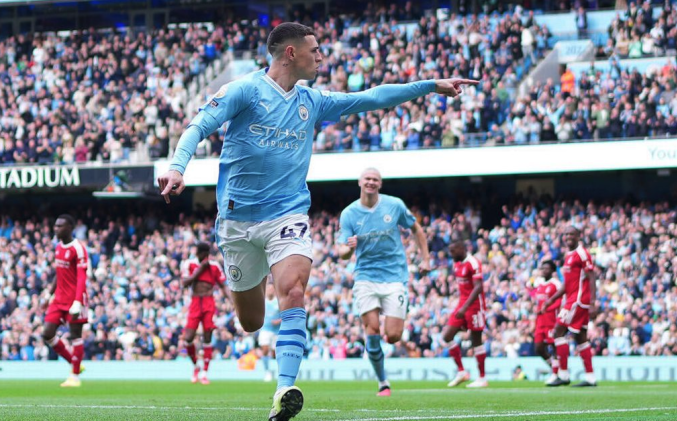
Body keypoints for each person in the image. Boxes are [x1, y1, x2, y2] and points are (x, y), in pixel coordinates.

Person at [157, 22, 477, 421]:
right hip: (237, 222)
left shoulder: (314, 100)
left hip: (287, 215)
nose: (322, 56)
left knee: (293, 292)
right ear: (291, 53)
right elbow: (198, 126)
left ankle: (283, 389)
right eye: (315, 49)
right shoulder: (245, 90)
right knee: (251, 321)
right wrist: (176, 167)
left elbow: (373, 97)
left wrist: (430, 85)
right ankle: (259, 314)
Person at [337, 167, 430, 397]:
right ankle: (383, 382)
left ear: (380, 184)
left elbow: (415, 227)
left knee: (394, 335)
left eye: (375, 180)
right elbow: (341, 252)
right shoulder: (349, 214)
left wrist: (425, 257)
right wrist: (348, 250)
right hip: (365, 277)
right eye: (367, 178)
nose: (371, 182)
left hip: (394, 276)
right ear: (360, 182)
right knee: (372, 329)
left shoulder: (394, 205)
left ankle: (385, 344)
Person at [542, 226, 597, 387]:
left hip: (578, 300)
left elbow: (591, 276)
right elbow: (567, 284)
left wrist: (593, 302)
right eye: (566, 234)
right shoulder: (568, 256)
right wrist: (551, 300)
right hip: (572, 299)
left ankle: (563, 374)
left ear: (578, 236)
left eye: (571, 234)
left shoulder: (582, 253)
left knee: (557, 332)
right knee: (581, 338)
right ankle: (590, 377)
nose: (568, 237)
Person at [41, 214, 89, 387]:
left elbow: (82, 276)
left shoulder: (78, 248)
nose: (56, 229)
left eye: (60, 226)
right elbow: (58, 274)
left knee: (76, 335)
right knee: (47, 333)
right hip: (59, 299)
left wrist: (78, 301)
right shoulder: (59, 247)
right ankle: (75, 363)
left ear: (70, 228)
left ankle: (75, 377)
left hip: (75, 299)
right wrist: (48, 294)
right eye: (55, 226)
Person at [181, 242, 228, 385]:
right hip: (195, 301)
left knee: (208, 334)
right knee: (188, 337)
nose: (204, 256)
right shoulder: (189, 264)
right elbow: (184, 283)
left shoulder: (214, 266)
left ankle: (205, 372)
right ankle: (196, 366)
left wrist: (233, 302)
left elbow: (223, 286)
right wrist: (200, 270)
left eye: (205, 253)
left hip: (208, 302)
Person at [444, 239, 488, 388]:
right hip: (462, 304)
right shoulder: (457, 265)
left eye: (453, 251)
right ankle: (462, 372)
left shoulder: (473, 262)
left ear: (462, 248)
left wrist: (465, 308)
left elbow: (478, 288)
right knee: (447, 336)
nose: (451, 254)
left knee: (476, 341)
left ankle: (482, 378)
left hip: (475, 306)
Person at [532, 260, 561, 384]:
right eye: (542, 268)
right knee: (538, 348)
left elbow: (560, 301)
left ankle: (556, 373)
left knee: (554, 347)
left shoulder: (556, 284)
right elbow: (538, 300)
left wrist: (547, 308)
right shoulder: (539, 284)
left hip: (551, 320)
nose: (544, 271)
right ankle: (554, 369)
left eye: (547, 268)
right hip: (540, 322)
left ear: (553, 271)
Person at [259, 282, 281, 382]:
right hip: (265, 329)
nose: (270, 291)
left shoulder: (278, 302)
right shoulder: (262, 301)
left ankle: (275, 371)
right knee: (265, 348)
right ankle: (267, 371)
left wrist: (278, 321)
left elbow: (285, 315)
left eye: (272, 289)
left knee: (274, 353)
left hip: (276, 331)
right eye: (268, 289)